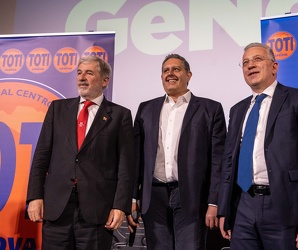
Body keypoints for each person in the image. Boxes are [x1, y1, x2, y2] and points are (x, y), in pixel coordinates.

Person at [218, 42, 298, 249]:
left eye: (257, 59)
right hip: (242, 206)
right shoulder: (237, 109)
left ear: (274, 67)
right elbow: (228, 163)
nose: (250, 65)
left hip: (283, 206)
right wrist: (225, 209)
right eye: (245, 63)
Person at [26, 56, 136, 250]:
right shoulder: (57, 109)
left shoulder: (120, 115)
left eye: (89, 73)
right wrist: (35, 197)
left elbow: (126, 166)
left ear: (104, 80)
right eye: (79, 73)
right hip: (57, 208)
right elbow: (41, 156)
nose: (82, 77)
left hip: (97, 211)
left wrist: (120, 206)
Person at [131, 54, 227, 250]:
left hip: (192, 197)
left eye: (176, 69)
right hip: (154, 198)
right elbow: (136, 158)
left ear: (188, 75)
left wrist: (214, 202)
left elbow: (219, 161)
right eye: (165, 71)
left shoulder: (210, 109)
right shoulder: (145, 109)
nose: (170, 74)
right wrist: (133, 197)